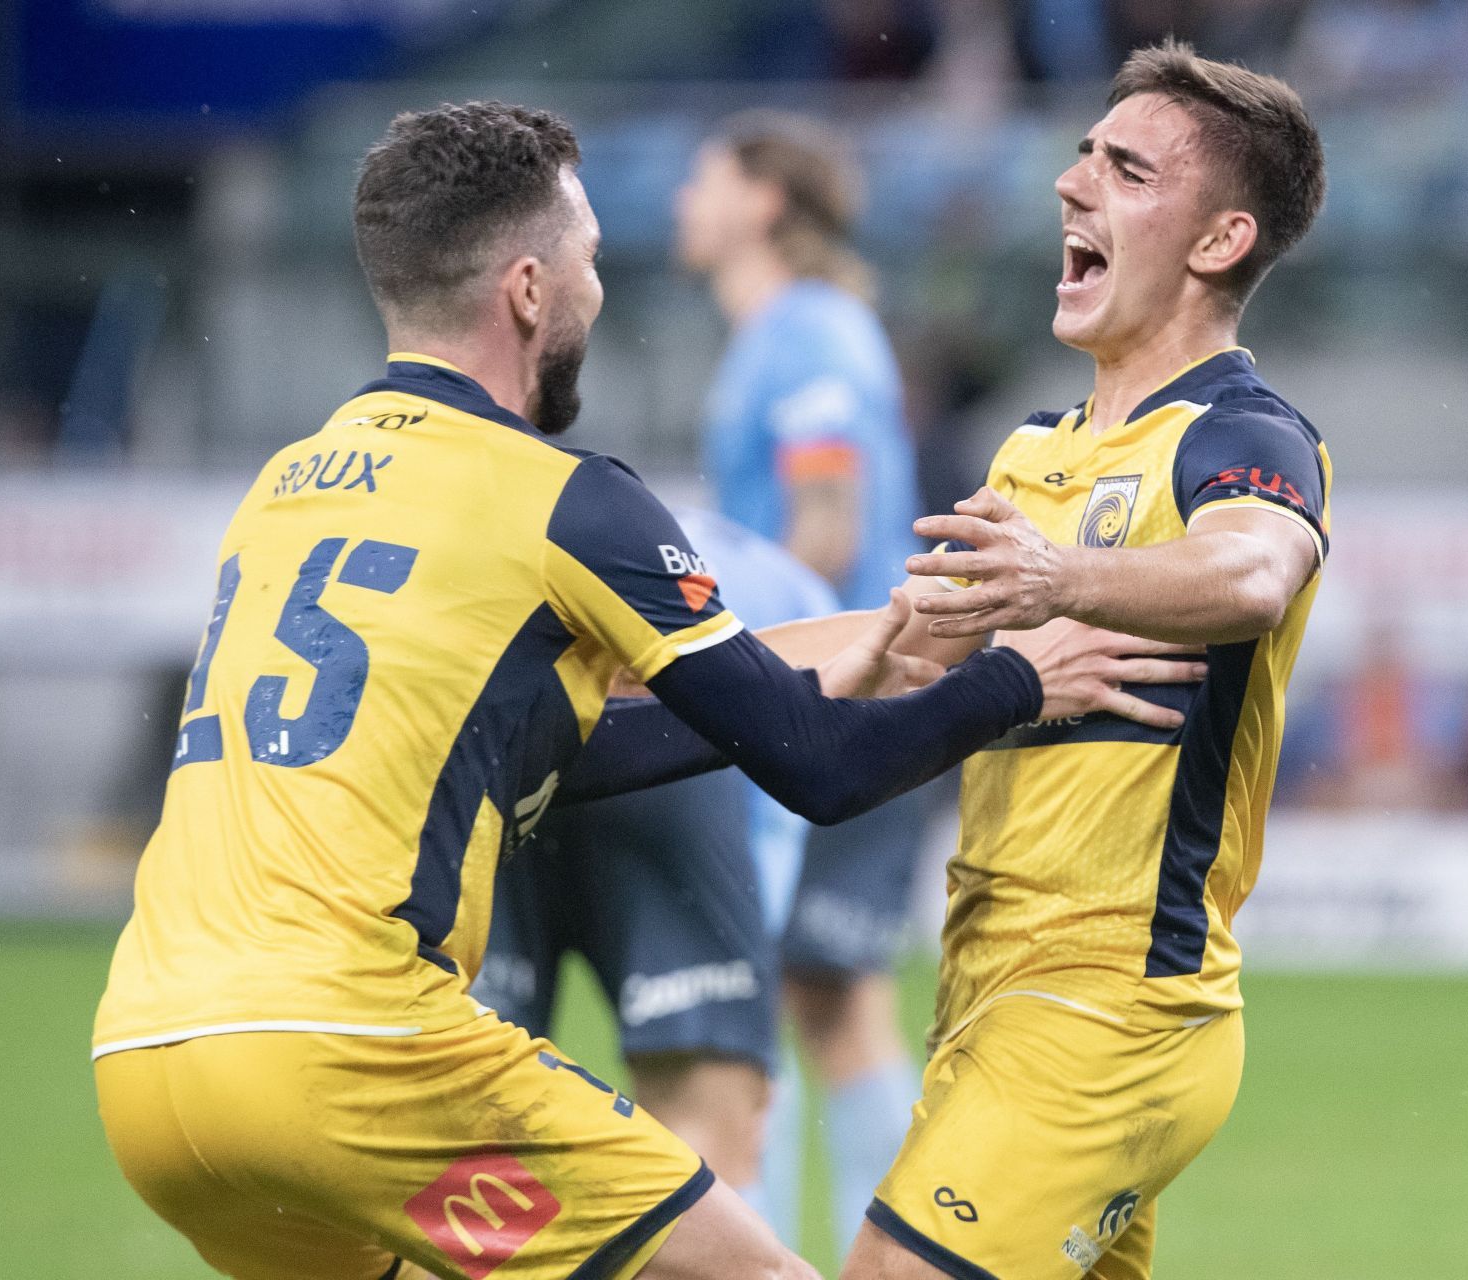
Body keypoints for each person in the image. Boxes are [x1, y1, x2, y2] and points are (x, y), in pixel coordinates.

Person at [89, 101, 1190, 1280]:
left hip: (148, 1061)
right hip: (354, 1047)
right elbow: (818, 767)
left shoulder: (287, 485)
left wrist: (851, 645)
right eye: (590, 260)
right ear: (526, 289)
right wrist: (1018, 681)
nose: (599, 291)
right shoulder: (563, 495)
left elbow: (538, 751)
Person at [813, 42, 1334, 1280]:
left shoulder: (1243, 433)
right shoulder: (1031, 453)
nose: (1070, 183)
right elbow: (897, 648)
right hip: (984, 983)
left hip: (1116, 999)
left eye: (1125, 169)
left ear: (1217, 242)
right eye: (1082, 153)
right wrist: (650, 659)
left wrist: (1062, 577)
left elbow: (1255, 572)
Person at [673, 111, 934, 1242]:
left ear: (762, 202)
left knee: (770, 997)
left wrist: (737, 671)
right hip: (844, 691)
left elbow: (824, 527)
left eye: (704, 173)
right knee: (826, 996)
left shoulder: (810, 333)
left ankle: (787, 1252)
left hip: (839, 695)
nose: (683, 196)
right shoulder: (788, 332)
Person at [470, 506, 842, 1220]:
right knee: (711, 1142)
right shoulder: (777, 585)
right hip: (680, 746)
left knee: (469, 1150)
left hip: (499, 726)